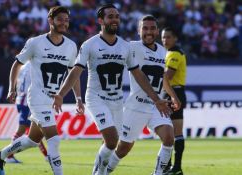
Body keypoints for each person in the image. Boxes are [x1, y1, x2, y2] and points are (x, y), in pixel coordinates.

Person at [52, 5, 172, 175]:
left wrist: (156, 99)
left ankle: (99, 171)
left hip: (117, 101)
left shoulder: (124, 46)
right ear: (101, 21)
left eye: (116, 16)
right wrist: (61, 94)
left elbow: (139, 75)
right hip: (96, 98)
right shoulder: (90, 44)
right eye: (110, 17)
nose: (114, 19)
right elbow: (76, 70)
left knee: (113, 144)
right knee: (111, 140)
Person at [0, 6, 84, 175]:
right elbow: (17, 64)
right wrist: (12, 89)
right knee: (54, 140)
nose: (64, 23)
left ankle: (0, 155)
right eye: (60, 19)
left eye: (66, 20)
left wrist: (78, 98)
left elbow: (73, 74)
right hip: (37, 97)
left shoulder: (71, 46)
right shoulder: (35, 42)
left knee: (33, 140)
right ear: (50, 21)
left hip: (52, 100)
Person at [105, 15, 181, 175]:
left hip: (156, 106)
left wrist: (173, 96)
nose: (149, 32)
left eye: (152, 28)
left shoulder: (162, 51)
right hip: (136, 107)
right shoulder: (132, 47)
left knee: (169, 138)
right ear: (139, 31)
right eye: (145, 28)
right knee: (123, 149)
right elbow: (112, 45)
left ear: (157, 31)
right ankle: (105, 171)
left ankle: (157, 173)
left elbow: (163, 78)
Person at [5, 62, 48, 164]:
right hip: (28, 101)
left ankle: (46, 155)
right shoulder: (35, 65)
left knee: (34, 130)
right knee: (22, 130)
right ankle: (9, 155)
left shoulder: (23, 66)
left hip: (21, 99)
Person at [161, 27, 187, 175]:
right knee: (173, 133)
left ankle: (172, 167)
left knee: (171, 133)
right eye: (163, 37)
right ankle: (173, 167)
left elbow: (167, 77)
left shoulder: (174, 54)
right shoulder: (170, 52)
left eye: (168, 37)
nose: (165, 40)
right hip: (174, 92)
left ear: (175, 38)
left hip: (173, 93)